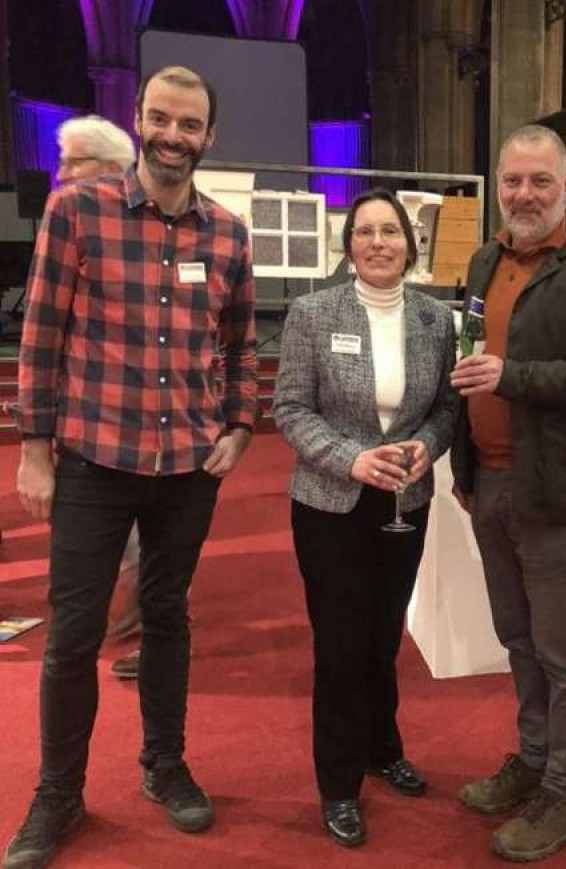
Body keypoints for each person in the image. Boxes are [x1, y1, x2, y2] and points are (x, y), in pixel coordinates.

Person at [5, 65, 257, 869]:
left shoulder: (227, 233)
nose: (174, 135)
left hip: (186, 464)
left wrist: (242, 423)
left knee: (169, 619)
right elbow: (41, 335)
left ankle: (165, 763)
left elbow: (241, 343)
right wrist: (34, 451)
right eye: (161, 118)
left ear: (209, 135)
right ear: (138, 119)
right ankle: (59, 790)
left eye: (190, 124)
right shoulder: (78, 210)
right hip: (94, 458)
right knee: (73, 636)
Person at [450, 124, 566, 862]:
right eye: (512, 180)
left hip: (561, 493)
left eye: (540, 181)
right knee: (517, 640)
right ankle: (533, 759)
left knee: (563, 652)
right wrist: (464, 463)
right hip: (490, 483)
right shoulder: (482, 258)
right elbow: (469, 355)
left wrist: (513, 377)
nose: (524, 194)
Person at [273, 188, 457, 849]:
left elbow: (444, 410)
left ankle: (385, 746)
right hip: (331, 504)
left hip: (404, 501)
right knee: (342, 645)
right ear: (348, 245)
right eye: (365, 232)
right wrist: (351, 460)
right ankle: (339, 782)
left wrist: (424, 448)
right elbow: (291, 410)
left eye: (391, 231)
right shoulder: (313, 313)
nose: (379, 242)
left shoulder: (437, 321)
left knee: (383, 638)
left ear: (410, 243)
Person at [55, 114, 146, 680]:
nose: (61, 173)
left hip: (139, 423)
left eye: (74, 162)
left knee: (143, 545)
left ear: (111, 170)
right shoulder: (65, 226)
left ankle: (143, 629)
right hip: (86, 422)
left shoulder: (138, 236)